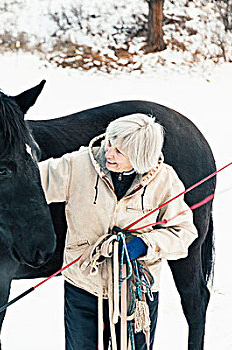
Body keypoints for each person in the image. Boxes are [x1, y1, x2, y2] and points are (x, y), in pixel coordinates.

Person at [38, 114, 198, 350]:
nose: (109, 153)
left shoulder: (164, 181)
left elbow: (183, 233)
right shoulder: (78, 165)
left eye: (120, 152)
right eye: (110, 142)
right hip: (83, 285)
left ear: (141, 157)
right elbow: (28, 183)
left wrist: (145, 245)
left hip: (136, 292)